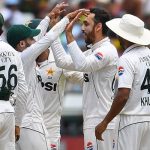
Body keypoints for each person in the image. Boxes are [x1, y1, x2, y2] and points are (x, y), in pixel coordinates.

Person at [6, 3, 82, 150]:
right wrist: (66, 19)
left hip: (26, 122)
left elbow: (42, 37)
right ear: (22, 43)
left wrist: (48, 17)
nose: (35, 41)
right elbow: (48, 38)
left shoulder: (16, 56)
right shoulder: (26, 57)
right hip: (32, 122)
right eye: (31, 38)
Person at [50, 7, 118, 150]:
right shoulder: (94, 51)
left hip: (101, 120)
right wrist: (55, 30)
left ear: (98, 27)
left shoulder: (107, 51)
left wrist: (69, 35)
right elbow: (62, 61)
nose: (82, 28)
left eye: (86, 24)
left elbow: (82, 64)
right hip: (94, 119)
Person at [95, 14, 150, 150]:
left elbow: (123, 95)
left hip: (129, 120)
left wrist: (105, 122)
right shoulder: (148, 53)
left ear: (123, 37)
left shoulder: (127, 58)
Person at [27, 18, 83, 150]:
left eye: (30, 37)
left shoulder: (60, 61)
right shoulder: (22, 60)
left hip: (50, 128)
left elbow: (83, 78)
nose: (28, 42)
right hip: (26, 126)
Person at [0, 13, 28, 150]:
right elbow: (23, 91)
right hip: (8, 111)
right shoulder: (13, 52)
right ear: (1, 30)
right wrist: (17, 123)